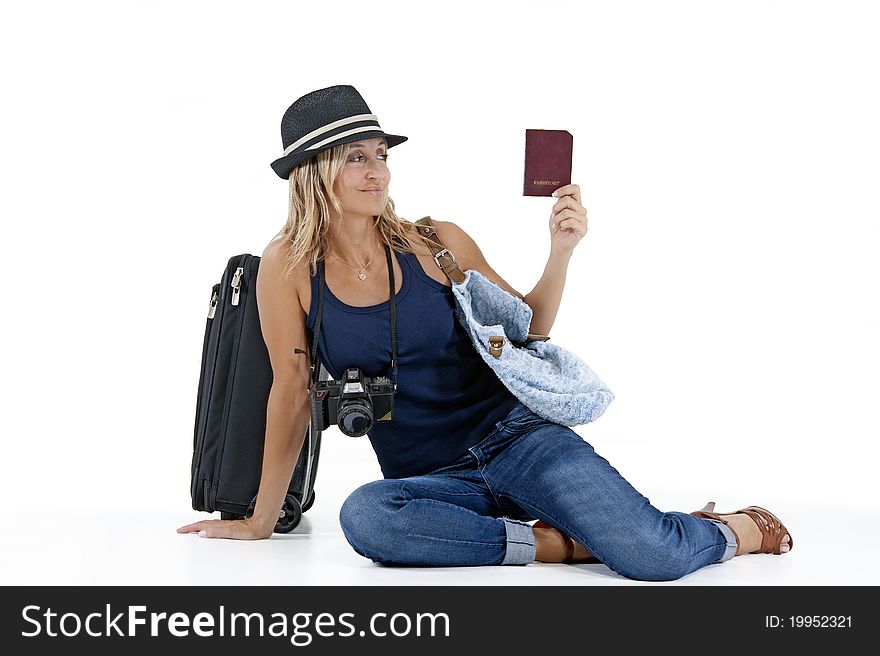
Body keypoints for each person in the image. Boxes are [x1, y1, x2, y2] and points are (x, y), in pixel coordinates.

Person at [177, 85, 793, 580]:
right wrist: (259, 521)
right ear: (314, 172)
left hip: (519, 441)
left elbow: (530, 328)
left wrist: (561, 250)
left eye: (382, 155)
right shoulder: (287, 266)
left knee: (654, 557)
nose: (378, 173)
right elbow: (290, 391)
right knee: (367, 517)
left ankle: (730, 529)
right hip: (433, 479)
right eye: (356, 158)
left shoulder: (437, 242)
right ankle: (559, 546)